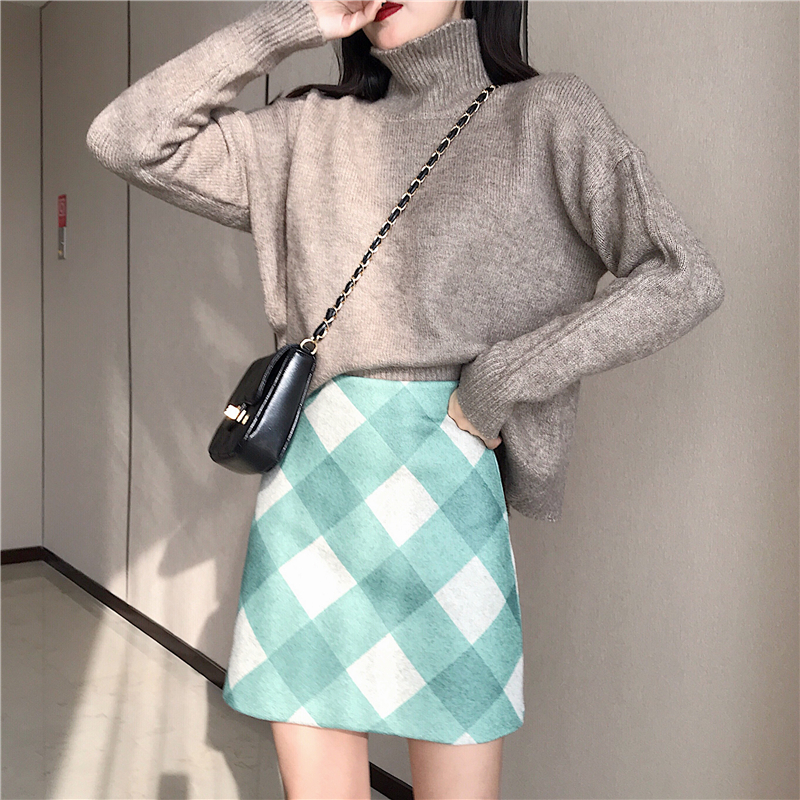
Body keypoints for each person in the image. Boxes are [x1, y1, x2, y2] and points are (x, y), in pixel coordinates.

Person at [85, 1, 725, 797]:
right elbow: (126, 137)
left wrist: (506, 377)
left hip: (448, 484)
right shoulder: (305, 132)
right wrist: (292, 24)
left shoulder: (547, 116)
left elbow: (682, 275)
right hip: (311, 495)